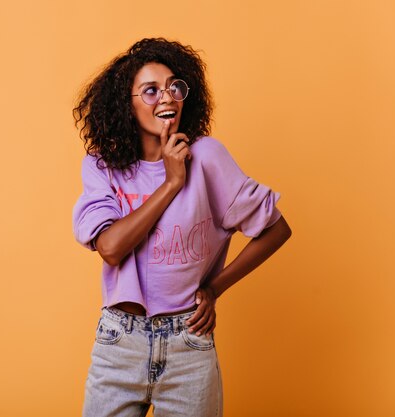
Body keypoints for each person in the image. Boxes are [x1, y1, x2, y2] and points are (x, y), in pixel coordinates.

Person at [72, 38, 292, 417]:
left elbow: (276, 229)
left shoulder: (207, 157)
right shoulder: (102, 166)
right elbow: (110, 247)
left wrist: (214, 287)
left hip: (188, 344)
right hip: (119, 342)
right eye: (151, 90)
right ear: (127, 103)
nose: (167, 97)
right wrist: (171, 183)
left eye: (175, 86)